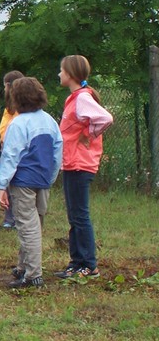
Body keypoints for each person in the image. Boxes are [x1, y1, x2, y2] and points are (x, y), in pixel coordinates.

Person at [0, 77, 62, 288]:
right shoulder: (49, 121)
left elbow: (10, 156)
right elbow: (57, 152)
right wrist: (51, 178)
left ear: (16, 98)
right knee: (36, 223)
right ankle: (23, 266)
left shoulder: (19, 123)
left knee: (27, 226)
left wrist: (2, 185)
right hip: (43, 179)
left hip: (23, 180)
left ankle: (33, 274)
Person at [54, 55, 113, 280]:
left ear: (70, 74)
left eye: (61, 70)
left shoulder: (82, 98)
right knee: (74, 215)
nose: (59, 74)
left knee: (80, 216)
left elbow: (105, 118)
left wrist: (89, 133)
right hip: (72, 163)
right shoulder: (74, 98)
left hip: (80, 164)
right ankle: (76, 262)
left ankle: (89, 265)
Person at [0, 70, 25, 229]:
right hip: (6, 148)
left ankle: (16, 217)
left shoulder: (22, 107)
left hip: (16, 150)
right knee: (7, 184)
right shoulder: (9, 107)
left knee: (16, 184)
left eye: (4, 86)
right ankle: (10, 218)